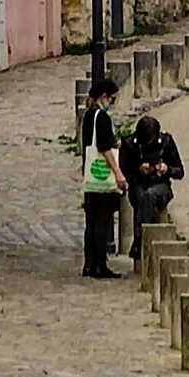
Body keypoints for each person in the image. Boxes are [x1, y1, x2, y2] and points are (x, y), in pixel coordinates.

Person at [124, 108, 184, 264]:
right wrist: (139, 170)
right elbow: (124, 171)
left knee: (149, 195)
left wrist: (166, 169)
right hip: (138, 184)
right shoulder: (130, 144)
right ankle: (141, 240)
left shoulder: (166, 142)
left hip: (160, 185)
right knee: (143, 196)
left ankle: (139, 240)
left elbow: (179, 171)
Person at [81, 85, 124, 277]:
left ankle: (89, 263)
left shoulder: (88, 116)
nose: (113, 103)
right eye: (112, 99)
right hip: (102, 175)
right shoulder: (103, 118)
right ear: (105, 97)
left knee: (91, 221)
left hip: (90, 175)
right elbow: (105, 148)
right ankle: (100, 264)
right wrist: (118, 173)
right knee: (102, 220)